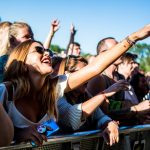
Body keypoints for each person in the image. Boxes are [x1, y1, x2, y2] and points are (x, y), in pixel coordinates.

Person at [0, 23, 150, 146]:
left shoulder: (53, 88)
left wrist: (134, 37)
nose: (47, 53)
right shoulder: (5, 92)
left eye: (47, 51)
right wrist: (18, 133)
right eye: (39, 50)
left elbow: (95, 67)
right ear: (22, 60)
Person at [57, 56, 129, 146]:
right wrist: (104, 94)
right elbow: (72, 119)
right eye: (83, 73)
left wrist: (109, 123)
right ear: (67, 75)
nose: (88, 78)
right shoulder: (56, 95)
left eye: (89, 74)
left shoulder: (86, 95)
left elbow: (101, 117)